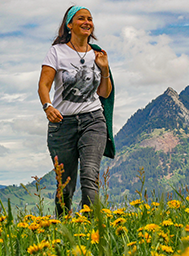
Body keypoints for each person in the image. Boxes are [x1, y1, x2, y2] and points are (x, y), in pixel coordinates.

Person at [38, 5, 115, 217]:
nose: (87, 22)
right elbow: (43, 85)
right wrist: (47, 106)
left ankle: (92, 229)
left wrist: (105, 69)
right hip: (62, 123)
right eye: (81, 18)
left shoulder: (98, 54)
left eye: (89, 18)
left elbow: (105, 93)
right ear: (69, 24)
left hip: (93, 120)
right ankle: (64, 229)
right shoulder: (56, 52)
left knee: (90, 174)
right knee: (66, 184)